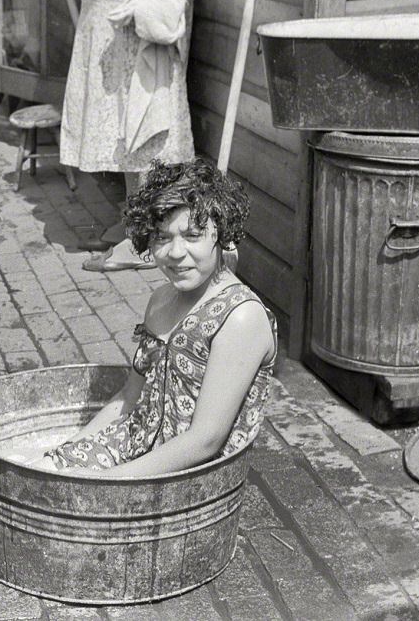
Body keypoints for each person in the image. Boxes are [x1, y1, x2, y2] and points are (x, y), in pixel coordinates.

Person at [38, 158, 276, 475]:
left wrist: (109, 481)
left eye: (193, 235)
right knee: (40, 470)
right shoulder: (161, 299)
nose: (176, 253)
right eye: (163, 238)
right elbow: (129, 397)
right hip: (133, 444)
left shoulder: (240, 317)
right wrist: (64, 452)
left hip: (185, 475)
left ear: (223, 237)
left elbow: (206, 440)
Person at [63, 0, 197, 272]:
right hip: (104, 11)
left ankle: (146, 239)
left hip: (144, 7)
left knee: (147, 118)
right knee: (121, 127)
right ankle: (134, 223)